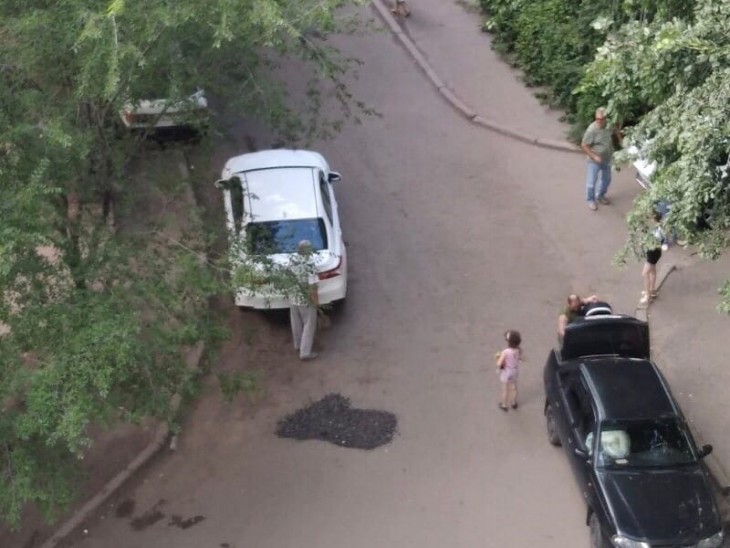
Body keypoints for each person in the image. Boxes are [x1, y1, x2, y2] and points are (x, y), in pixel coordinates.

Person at [581, 107, 622, 211]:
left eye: (601, 119)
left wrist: (620, 139)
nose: (599, 121)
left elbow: (616, 129)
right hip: (595, 160)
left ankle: (600, 195)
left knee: (607, 179)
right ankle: (590, 200)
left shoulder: (608, 125)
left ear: (605, 118)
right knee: (591, 182)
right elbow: (584, 145)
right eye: (597, 118)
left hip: (607, 158)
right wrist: (594, 156)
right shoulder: (592, 130)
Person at [289, 240, 320, 360]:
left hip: (293, 298)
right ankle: (305, 352)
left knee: (296, 323)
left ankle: (298, 345)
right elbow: (312, 286)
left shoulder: (292, 261)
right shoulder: (309, 264)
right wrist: (315, 302)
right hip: (305, 300)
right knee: (309, 324)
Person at [640, 212, 665, 305]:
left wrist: (642, 243)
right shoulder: (660, 228)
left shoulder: (657, 233)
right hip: (657, 252)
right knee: (653, 271)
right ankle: (652, 290)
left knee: (645, 273)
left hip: (653, 253)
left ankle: (647, 295)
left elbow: (652, 244)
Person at [496, 330, 523, 411]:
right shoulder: (518, 350)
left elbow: (499, 363)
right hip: (514, 370)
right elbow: (520, 359)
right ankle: (514, 403)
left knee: (505, 388)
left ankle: (504, 405)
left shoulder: (506, 352)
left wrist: (498, 357)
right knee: (514, 387)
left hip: (507, 371)